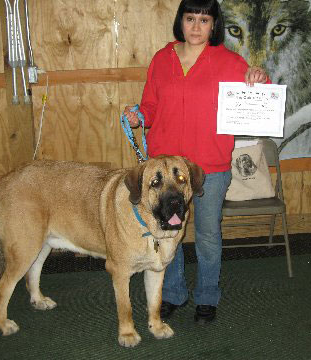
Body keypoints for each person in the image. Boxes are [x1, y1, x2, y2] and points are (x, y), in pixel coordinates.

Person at [123, 0, 269, 324]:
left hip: (210, 168)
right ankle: (172, 294)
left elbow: (261, 97)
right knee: (166, 233)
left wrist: (259, 78)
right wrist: (139, 115)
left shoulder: (231, 62)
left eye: (204, 20)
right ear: (181, 21)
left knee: (206, 236)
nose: (196, 26)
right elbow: (150, 106)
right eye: (190, 18)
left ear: (214, 25)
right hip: (164, 172)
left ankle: (207, 298)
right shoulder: (162, 59)